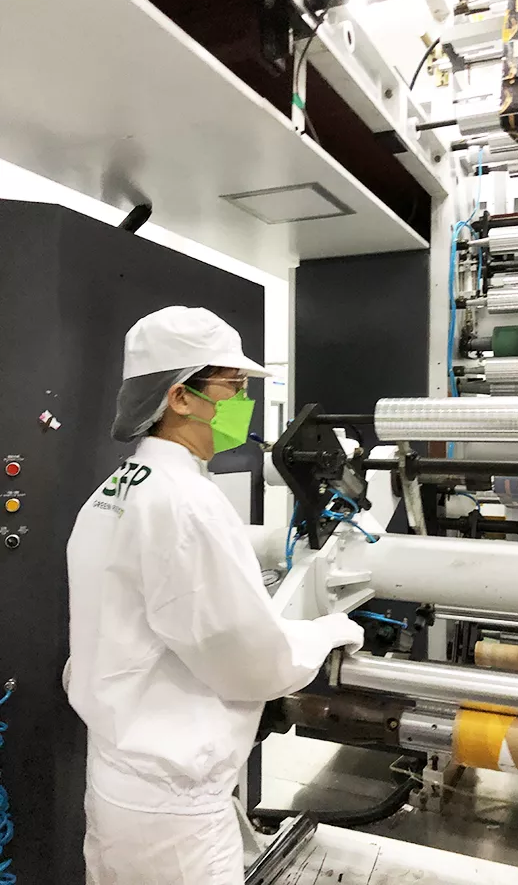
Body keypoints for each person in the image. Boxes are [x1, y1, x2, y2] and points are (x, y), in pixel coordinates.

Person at [66, 305, 364, 885]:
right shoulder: (188, 504)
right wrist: (326, 633)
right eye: (233, 386)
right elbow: (247, 657)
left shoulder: (113, 491)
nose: (242, 403)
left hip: (117, 781)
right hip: (174, 811)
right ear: (180, 396)